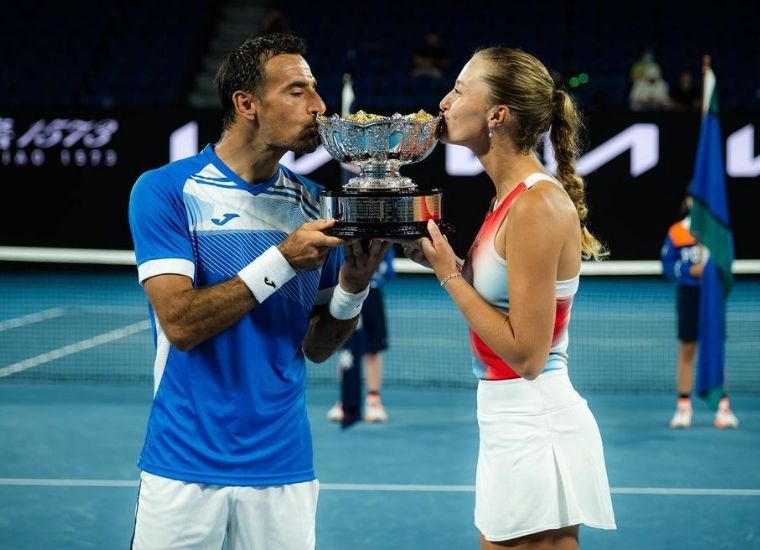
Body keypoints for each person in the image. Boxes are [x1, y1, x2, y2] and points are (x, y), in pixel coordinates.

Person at [127, 33, 390, 549]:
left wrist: (353, 289)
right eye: (297, 91)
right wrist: (282, 260)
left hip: (283, 464)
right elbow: (181, 325)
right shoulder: (165, 190)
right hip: (183, 462)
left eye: (315, 90)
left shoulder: (316, 203)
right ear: (246, 104)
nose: (319, 107)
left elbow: (317, 347)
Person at [401, 46, 616, 548]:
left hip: (534, 421)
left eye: (458, 89)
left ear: (498, 115)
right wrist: (445, 261)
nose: (444, 102)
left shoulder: (536, 205)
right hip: (511, 418)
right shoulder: (509, 198)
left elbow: (527, 355)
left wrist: (448, 276)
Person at [660, 197, 739, 429]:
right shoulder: (677, 232)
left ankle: (722, 408)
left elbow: (727, 261)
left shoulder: (718, 231)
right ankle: (684, 408)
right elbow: (666, 265)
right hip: (689, 297)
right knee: (687, 349)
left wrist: (714, 273)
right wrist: (689, 270)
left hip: (712, 298)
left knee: (716, 350)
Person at [326, 247, 396, 425]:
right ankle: (345, 400)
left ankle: (374, 401)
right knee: (345, 350)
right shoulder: (343, 234)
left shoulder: (381, 235)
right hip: (345, 294)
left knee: (373, 349)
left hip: (371, 295)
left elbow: (387, 269)